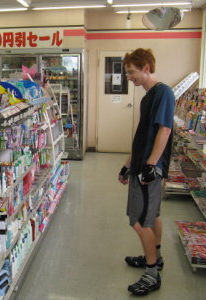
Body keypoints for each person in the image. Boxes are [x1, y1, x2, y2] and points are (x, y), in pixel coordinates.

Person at [118, 48, 174, 296]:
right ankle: (156, 257)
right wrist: (128, 165)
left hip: (149, 168)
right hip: (140, 165)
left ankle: (152, 274)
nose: (129, 77)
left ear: (146, 68)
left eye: (131, 72)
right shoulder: (147, 97)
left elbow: (164, 131)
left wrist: (151, 166)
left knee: (140, 221)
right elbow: (142, 137)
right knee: (153, 215)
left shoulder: (163, 92)